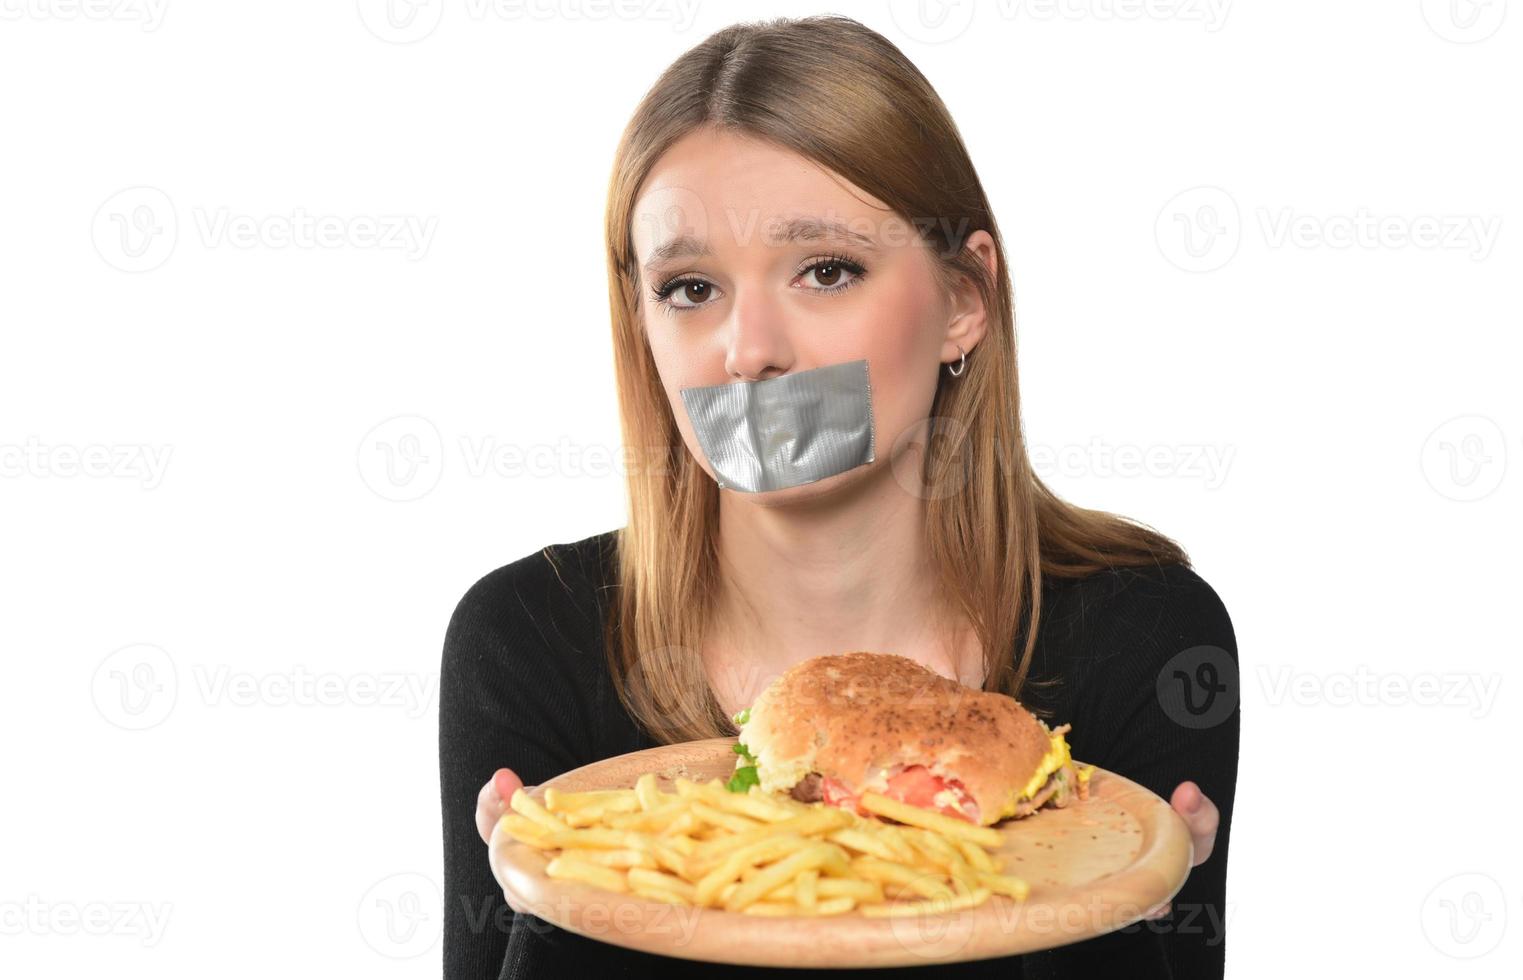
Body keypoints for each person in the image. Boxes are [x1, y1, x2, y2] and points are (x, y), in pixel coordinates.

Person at [440, 15, 1238, 979]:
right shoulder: (528, 638)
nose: (749, 352)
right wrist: (563, 909)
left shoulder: (1143, 634)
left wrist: (1114, 928)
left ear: (962, 300)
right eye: (691, 288)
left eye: (825, 271)